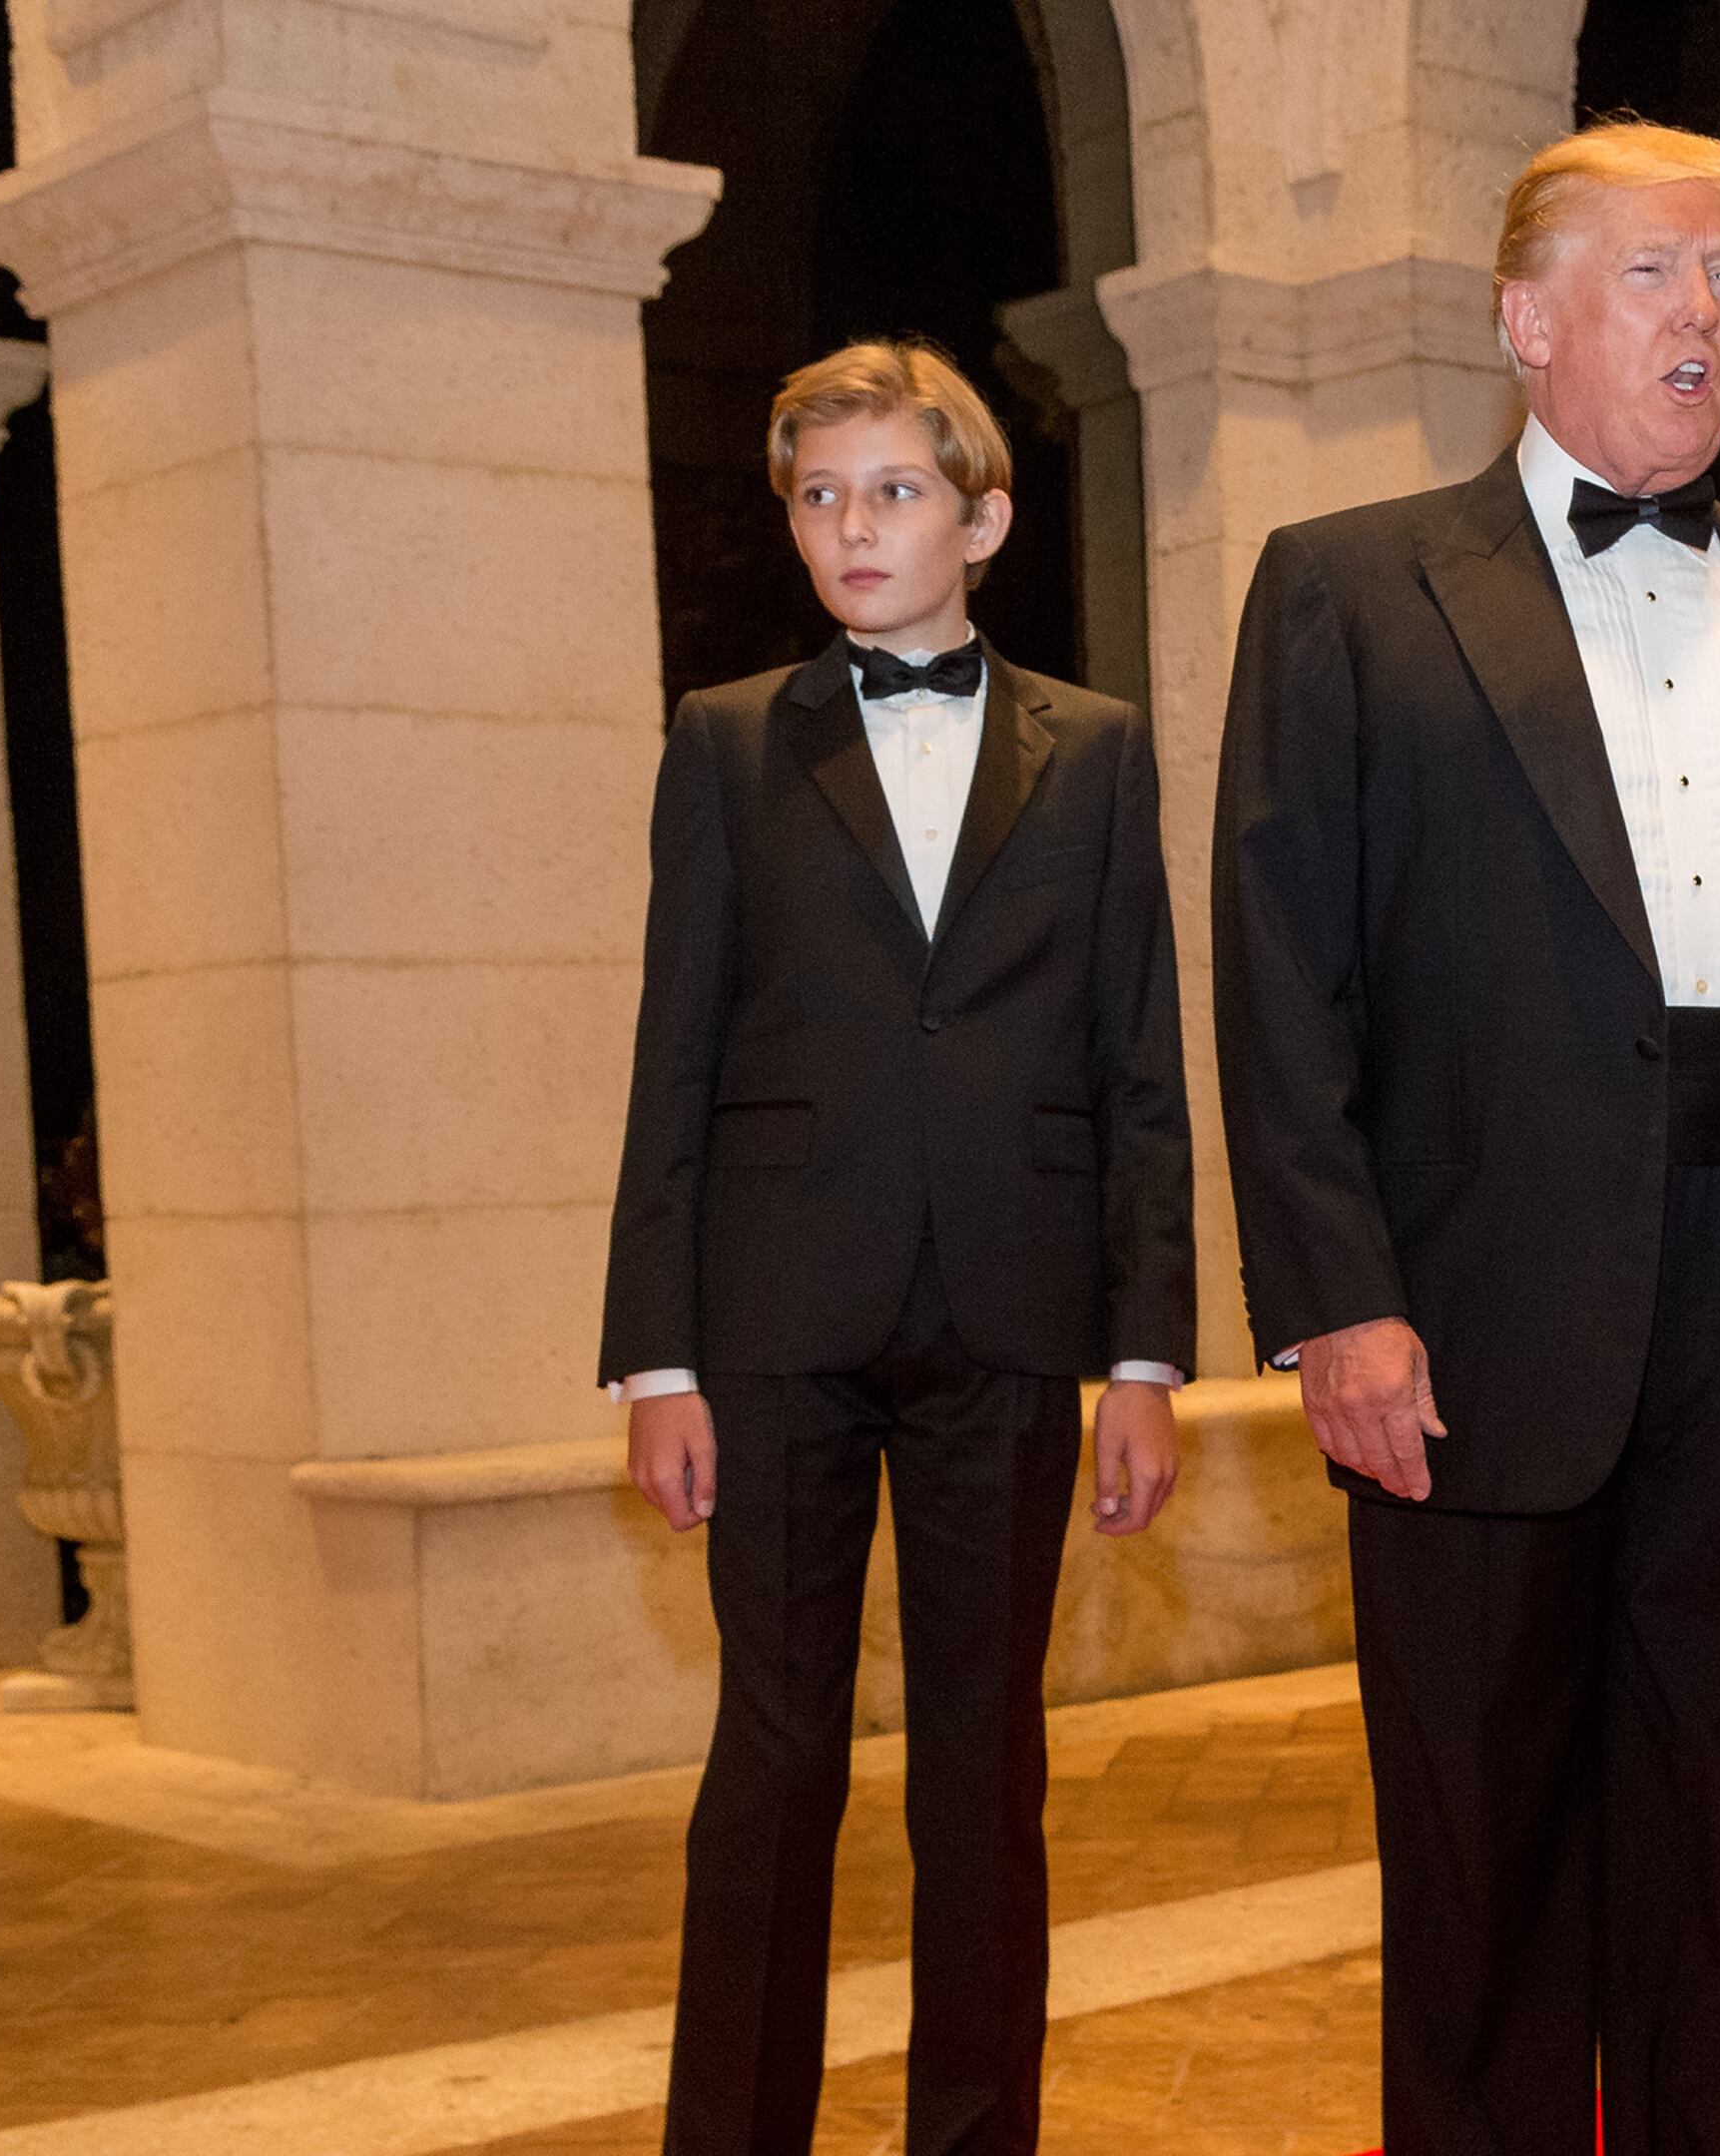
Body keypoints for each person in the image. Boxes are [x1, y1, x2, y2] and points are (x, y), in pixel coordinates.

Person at [1211, 120, 1720, 2154]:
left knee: (1715, 1843)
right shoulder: (1349, 591)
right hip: (1476, 1315)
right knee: (1485, 1860)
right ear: (1529, 321)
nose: (1707, 317)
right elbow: (1275, 977)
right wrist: (1339, 1302)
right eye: (1660, 274)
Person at [596, 338, 1194, 2156]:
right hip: (776, 1320)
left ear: (984, 517)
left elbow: (1140, 1060)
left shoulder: (1094, 753)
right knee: (771, 1763)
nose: (853, 527)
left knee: (982, 1772)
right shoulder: (722, 740)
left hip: (1010, 1319)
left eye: (895, 490)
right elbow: (671, 1056)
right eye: (820, 495)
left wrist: (1147, 1359)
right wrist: (658, 1357)